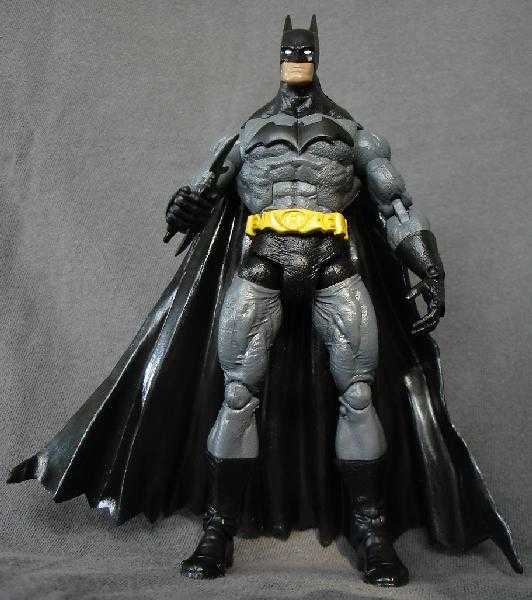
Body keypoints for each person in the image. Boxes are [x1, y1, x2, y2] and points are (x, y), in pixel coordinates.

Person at [8, 15, 521, 588]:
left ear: (316, 57)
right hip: (263, 263)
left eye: (305, 51)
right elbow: (199, 196)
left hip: (333, 265)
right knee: (236, 395)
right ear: (280, 56)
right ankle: (218, 528)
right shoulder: (246, 136)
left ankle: (372, 531)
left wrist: (428, 263)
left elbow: (395, 206)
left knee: (358, 395)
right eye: (290, 51)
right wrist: (183, 207)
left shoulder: (352, 135)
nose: (297, 59)